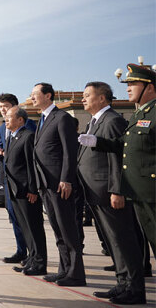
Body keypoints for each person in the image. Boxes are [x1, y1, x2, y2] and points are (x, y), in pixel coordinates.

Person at [76, 81, 145, 304]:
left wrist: (117, 190)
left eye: (88, 95)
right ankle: (122, 283)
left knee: (123, 240)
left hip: (108, 191)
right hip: (96, 191)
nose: (83, 99)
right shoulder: (95, 121)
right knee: (113, 241)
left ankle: (134, 289)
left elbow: (117, 157)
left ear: (102, 98)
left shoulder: (112, 120)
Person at [30, 82, 85, 286]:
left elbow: (70, 152)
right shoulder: (42, 120)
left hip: (60, 183)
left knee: (68, 229)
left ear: (49, 95)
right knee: (57, 229)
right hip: (45, 184)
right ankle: (64, 270)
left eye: (35, 94)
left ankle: (77, 273)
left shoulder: (62, 118)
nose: (32, 97)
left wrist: (66, 179)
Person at [3, 106, 47, 276]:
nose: (6, 120)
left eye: (9, 117)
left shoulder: (28, 136)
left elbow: (31, 165)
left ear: (20, 120)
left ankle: (40, 263)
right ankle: (31, 259)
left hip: (27, 191)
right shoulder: (12, 138)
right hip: (15, 190)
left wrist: (33, 189)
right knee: (25, 228)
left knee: (34, 227)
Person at [0, 93, 36, 263]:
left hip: (23, 180)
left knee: (28, 219)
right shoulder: (3, 127)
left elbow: (31, 152)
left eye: (5, 106)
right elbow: (2, 144)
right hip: (8, 178)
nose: (2, 110)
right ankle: (21, 251)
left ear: (15, 108)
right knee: (13, 215)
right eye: (0, 107)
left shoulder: (29, 125)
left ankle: (34, 253)